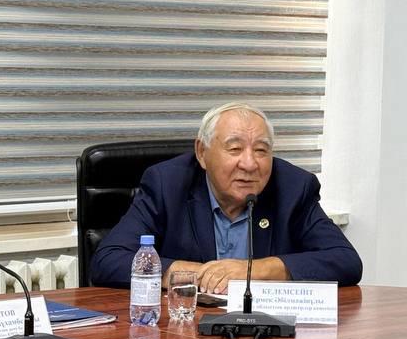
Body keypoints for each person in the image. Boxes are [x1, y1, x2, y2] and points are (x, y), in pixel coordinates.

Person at [92, 102, 361, 294]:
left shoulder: (293, 187)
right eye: (234, 149)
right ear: (202, 153)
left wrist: (254, 270)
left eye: (261, 150)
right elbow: (108, 260)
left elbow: (345, 261)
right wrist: (198, 274)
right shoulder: (167, 184)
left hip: (267, 333)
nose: (250, 164)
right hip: (184, 332)